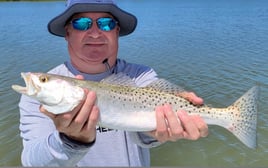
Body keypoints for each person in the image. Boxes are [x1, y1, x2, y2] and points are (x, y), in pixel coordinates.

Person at [18, 0, 208, 167]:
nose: (94, 33)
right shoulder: (38, 97)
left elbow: (147, 128)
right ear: (67, 33)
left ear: (117, 31)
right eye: (82, 23)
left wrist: (156, 132)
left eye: (106, 24)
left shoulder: (140, 76)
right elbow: (32, 161)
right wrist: (70, 141)